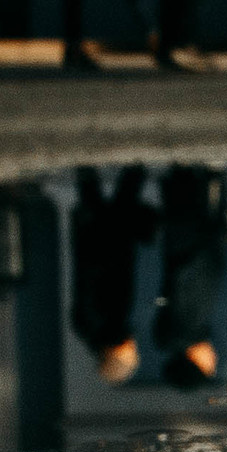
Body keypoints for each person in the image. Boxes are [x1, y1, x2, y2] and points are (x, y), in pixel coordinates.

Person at [68, 163, 159, 381]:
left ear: (116, 355)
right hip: (103, 247)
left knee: (119, 195)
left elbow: (90, 283)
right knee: (111, 195)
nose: (134, 350)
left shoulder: (98, 325)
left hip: (103, 248)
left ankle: (132, 163)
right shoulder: (97, 329)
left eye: (131, 356)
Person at [152, 162, 227, 384]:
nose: (214, 360)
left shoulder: (189, 326)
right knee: (184, 175)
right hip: (186, 239)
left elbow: (191, 278)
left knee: (190, 175)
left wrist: (212, 240)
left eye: (208, 367)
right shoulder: (181, 330)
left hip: (195, 238)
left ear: (194, 361)